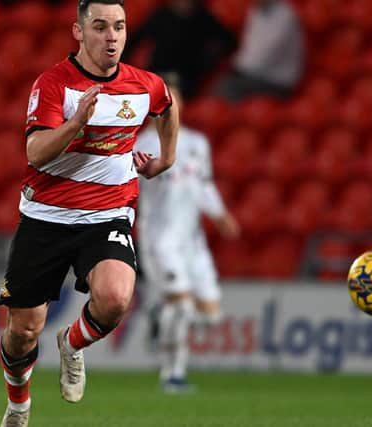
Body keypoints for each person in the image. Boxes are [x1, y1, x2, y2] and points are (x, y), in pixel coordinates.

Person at [0, 1, 179, 426]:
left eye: (119, 27)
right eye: (100, 27)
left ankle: (72, 344)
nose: (111, 36)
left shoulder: (142, 85)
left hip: (107, 214)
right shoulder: (55, 84)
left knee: (116, 297)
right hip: (46, 216)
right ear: (79, 32)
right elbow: (35, 152)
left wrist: (165, 159)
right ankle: (19, 406)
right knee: (23, 332)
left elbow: (167, 107)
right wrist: (75, 123)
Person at [134, 72, 240, 393]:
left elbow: (203, 185)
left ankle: (157, 315)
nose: (170, 106)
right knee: (180, 305)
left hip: (193, 243)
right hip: (159, 240)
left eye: (175, 99)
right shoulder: (139, 146)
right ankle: (172, 375)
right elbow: (126, 192)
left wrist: (220, 214)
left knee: (209, 315)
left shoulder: (196, 144)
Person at [123, 0, 237, 99]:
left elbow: (229, 42)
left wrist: (209, 60)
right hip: (157, 72)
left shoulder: (204, 19)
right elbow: (133, 41)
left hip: (187, 79)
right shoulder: (161, 15)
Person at [211, 0, 304, 101]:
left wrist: (235, 65)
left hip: (278, 82)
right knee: (219, 85)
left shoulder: (285, 15)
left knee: (226, 89)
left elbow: (264, 55)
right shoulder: (256, 11)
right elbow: (249, 45)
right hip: (257, 74)